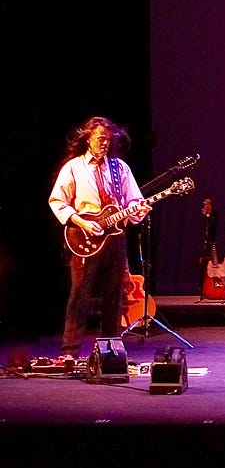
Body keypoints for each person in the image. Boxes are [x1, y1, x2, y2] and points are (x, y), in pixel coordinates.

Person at [48, 116, 151, 358]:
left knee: (114, 296)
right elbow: (57, 201)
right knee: (79, 295)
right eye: (100, 138)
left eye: (108, 139)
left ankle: (111, 350)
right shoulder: (73, 167)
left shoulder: (119, 168)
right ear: (88, 139)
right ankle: (70, 351)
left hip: (115, 239)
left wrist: (138, 210)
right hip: (83, 238)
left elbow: (133, 200)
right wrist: (82, 221)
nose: (105, 143)